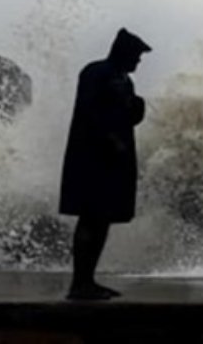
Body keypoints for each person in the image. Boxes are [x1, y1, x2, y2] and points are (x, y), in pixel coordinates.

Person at [58, 28, 151, 300]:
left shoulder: (124, 80)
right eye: (136, 55)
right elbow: (88, 110)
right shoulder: (95, 72)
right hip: (91, 158)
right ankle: (80, 283)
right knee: (90, 217)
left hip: (114, 160)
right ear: (122, 51)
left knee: (101, 220)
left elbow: (127, 117)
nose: (138, 62)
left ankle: (88, 281)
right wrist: (109, 137)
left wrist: (137, 107)